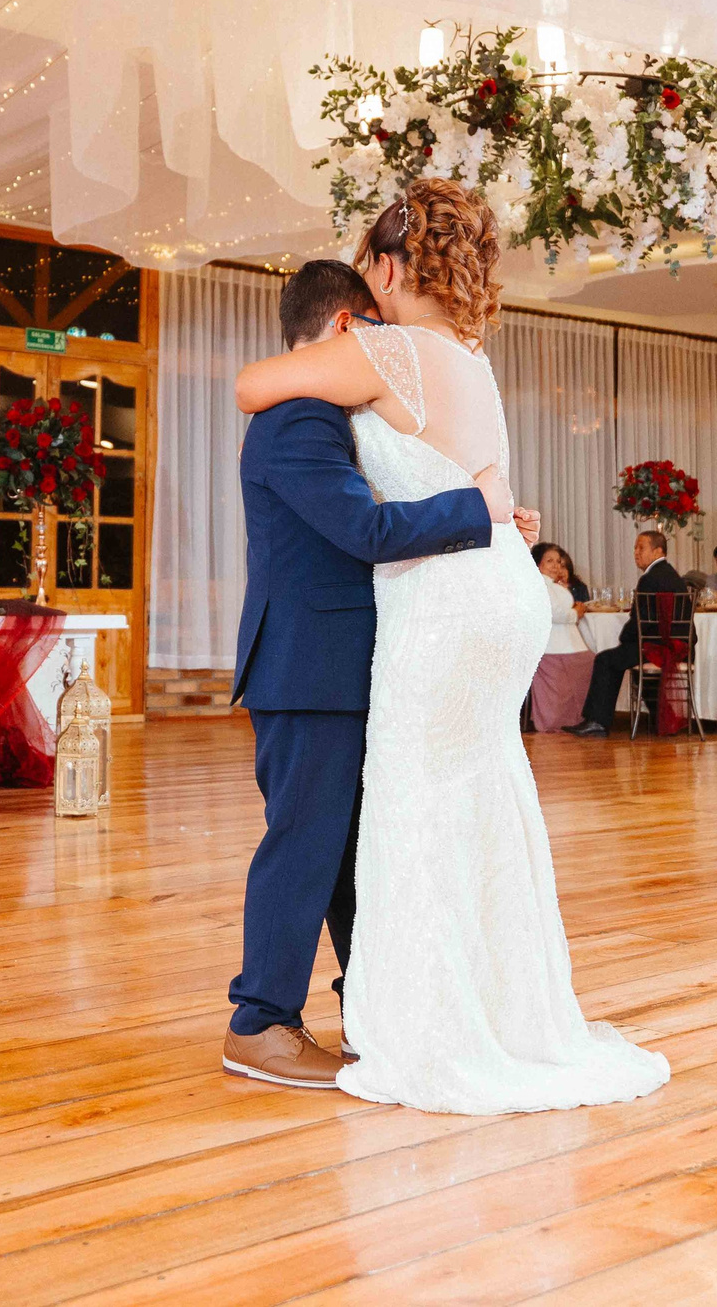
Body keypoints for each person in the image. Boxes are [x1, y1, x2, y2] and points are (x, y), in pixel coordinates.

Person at [234, 178, 668, 1114]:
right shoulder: (455, 363)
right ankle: (320, 1013)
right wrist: (484, 509)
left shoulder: (381, 357)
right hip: (431, 616)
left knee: (403, 813)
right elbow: (384, 512)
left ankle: (404, 1014)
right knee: (402, 814)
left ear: (390, 272)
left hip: (439, 610)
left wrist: (480, 511)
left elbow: (259, 392)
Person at [221, 259, 526, 1092]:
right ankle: (259, 1022)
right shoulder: (296, 417)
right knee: (305, 846)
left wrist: (480, 509)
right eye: (379, 334)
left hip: (342, 668)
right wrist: (477, 506)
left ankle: (372, 1010)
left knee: (355, 853)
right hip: (308, 669)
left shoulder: (325, 416)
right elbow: (363, 530)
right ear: (348, 327)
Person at [570, 530, 690, 735]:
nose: (636, 552)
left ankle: (597, 721)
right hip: (677, 644)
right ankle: (660, 719)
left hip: (657, 646)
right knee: (618, 657)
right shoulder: (672, 575)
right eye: (635, 548)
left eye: (641, 548)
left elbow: (640, 622)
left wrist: (624, 639)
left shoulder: (650, 579)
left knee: (605, 660)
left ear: (658, 551)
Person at [529, 543, 593, 733]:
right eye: (550, 561)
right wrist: (575, 613)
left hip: (566, 643)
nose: (556, 565)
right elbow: (552, 613)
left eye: (558, 561)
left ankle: (576, 718)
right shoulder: (538, 584)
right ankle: (561, 720)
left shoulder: (552, 585)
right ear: (538, 564)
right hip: (554, 647)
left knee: (590, 665)